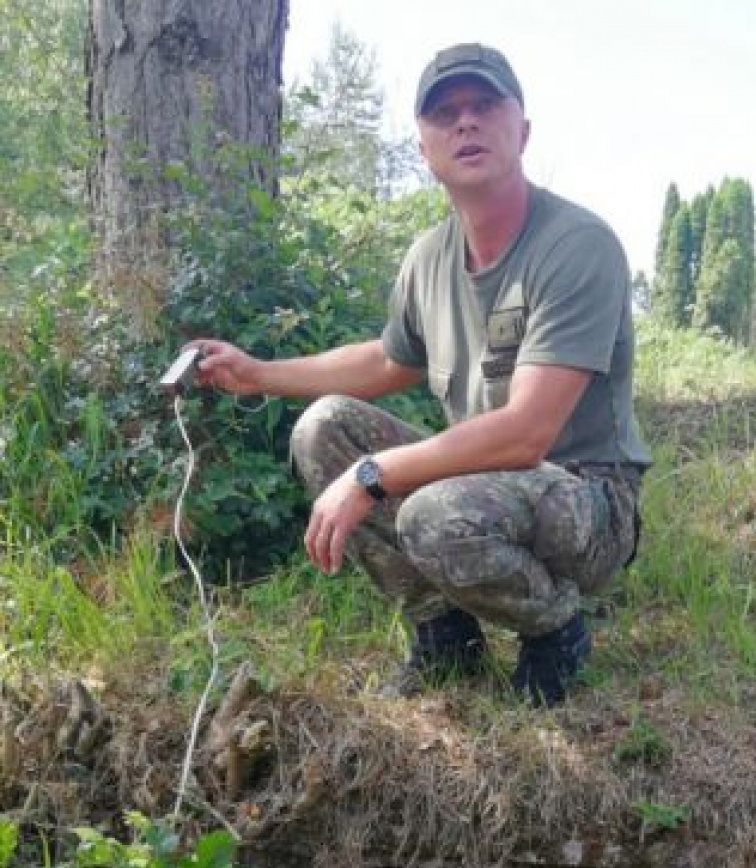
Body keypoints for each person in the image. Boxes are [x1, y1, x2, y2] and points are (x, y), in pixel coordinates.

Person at [197, 42, 650, 706]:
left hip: (589, 498)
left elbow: (527, 431)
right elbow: (388, 361)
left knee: (434, 514)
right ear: (424, 149)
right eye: (445, 113)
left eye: (484, 105)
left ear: (522, 130)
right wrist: (258, 373)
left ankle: (557, 629)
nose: (466, 122)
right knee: (323, 429)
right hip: (487, 482)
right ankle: (445, 638)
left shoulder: (577, 245)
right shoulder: (429, 258)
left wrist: (371, 475)